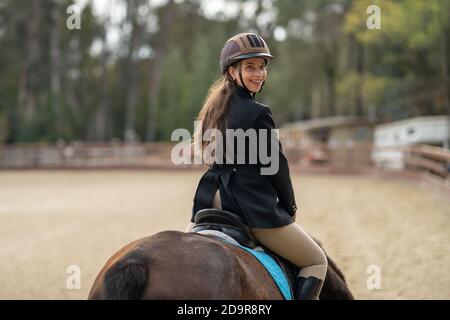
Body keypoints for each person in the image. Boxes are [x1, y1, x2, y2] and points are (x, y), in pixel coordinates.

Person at [186, 32, 328, 300]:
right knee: (316, 261)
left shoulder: (212, 109)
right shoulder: (257, 113)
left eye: (262, 67)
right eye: (250, 67)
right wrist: (290, 207)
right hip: (247, 204)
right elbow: (276, 166)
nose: (259, 74)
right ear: (232, 71)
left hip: (207, 200)